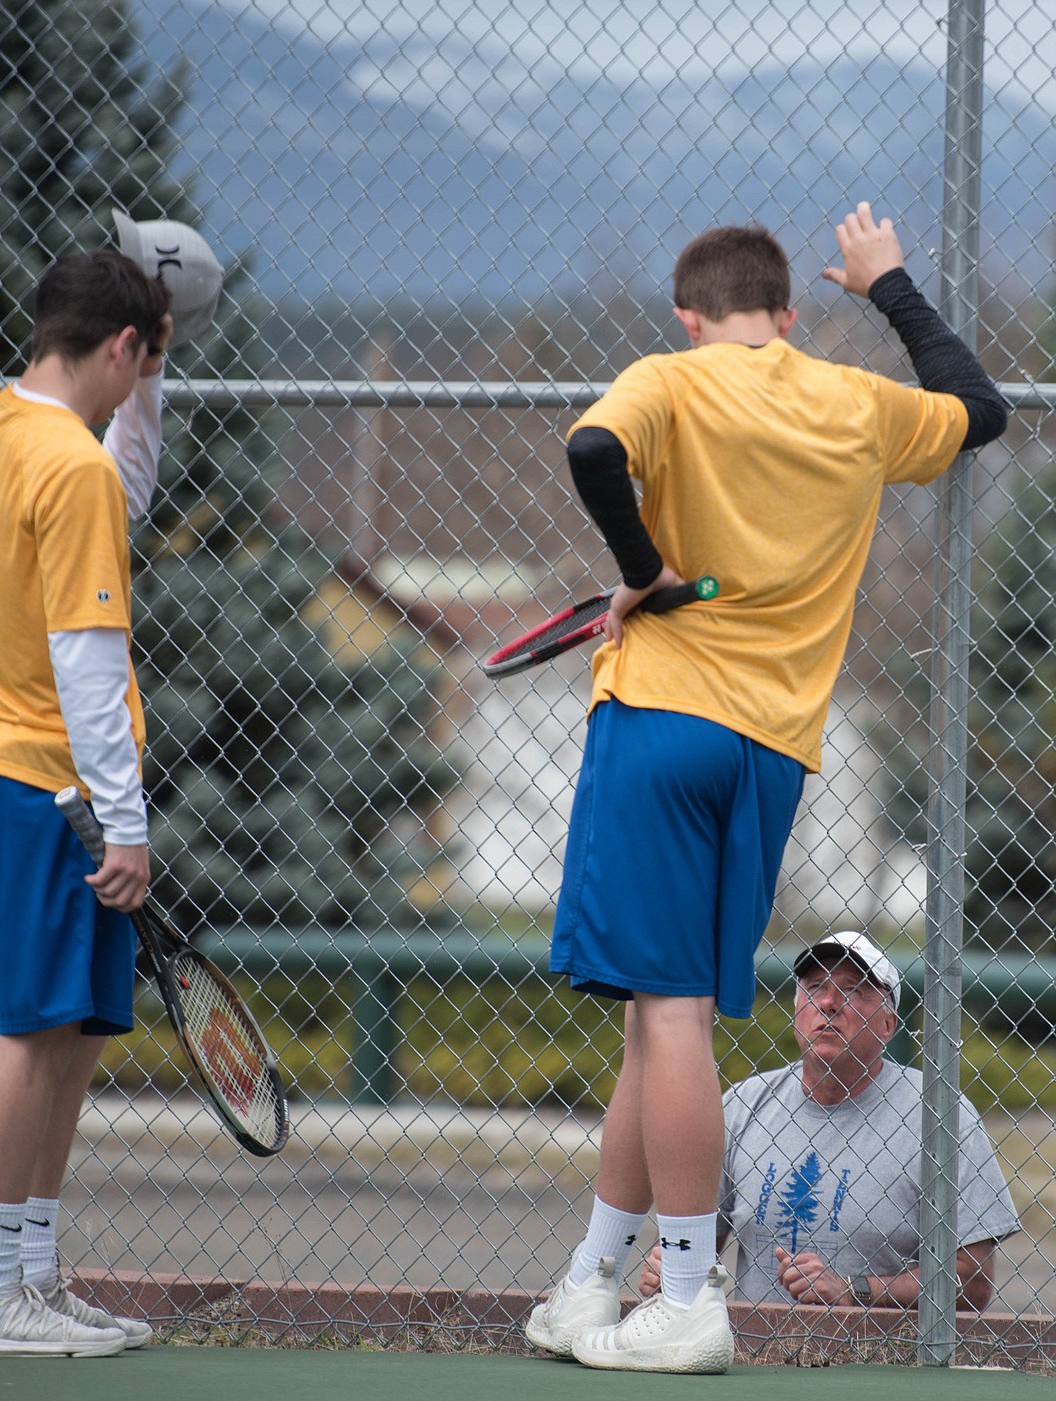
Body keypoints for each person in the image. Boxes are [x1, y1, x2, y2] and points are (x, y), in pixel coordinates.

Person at [524, 202, 1009, 1373]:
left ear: (690, 316)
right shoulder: (852, 399)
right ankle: (593, 1284)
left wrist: (650, 576)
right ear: (789, 313)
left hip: (662, 721)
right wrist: (888, 285)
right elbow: (980, 409)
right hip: (773, 752)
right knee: (660, 1022)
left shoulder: (671, 377)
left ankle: (685, 1297)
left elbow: (591, 452)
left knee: (670, 1016)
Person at [0, 251, 173, 1357]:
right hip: (53, 789)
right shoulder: (66, 467)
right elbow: (86, 653)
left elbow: (115, 501)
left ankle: (24, 1275)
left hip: (0, 771)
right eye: (142, 364)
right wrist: (125, 826)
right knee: (34, 1038)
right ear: (122, 344)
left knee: (65, 1036)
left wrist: (150, 385)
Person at [637, 932, 1019, 1312]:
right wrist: (669, 1266)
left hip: (881, 1360)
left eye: (854, 990)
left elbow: (972, 1280)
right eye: (815, 986)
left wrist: (856, 1291)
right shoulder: (743, 1105)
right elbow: (696, 1239)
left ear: (888, 1024)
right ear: (797, 1009)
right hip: (752, 1356)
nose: (829, 1003)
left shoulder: (940, 1114)